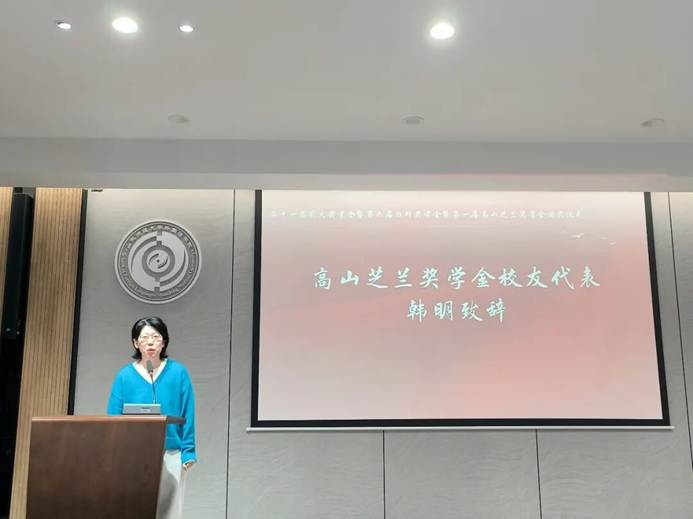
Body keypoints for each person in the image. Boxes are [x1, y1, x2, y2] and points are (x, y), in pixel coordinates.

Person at [107, 316, 196, 519]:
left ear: (164, 342)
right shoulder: (124, 377)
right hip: (133, 454)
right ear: (135, 343)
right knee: (134, 508)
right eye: (144, 338)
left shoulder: (178, 372)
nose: (150, 343)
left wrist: (188, 451)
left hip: (171, 451)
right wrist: (115, 454)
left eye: (156, 337)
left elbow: (188, 413)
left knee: (170, 511)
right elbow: (113, 418)